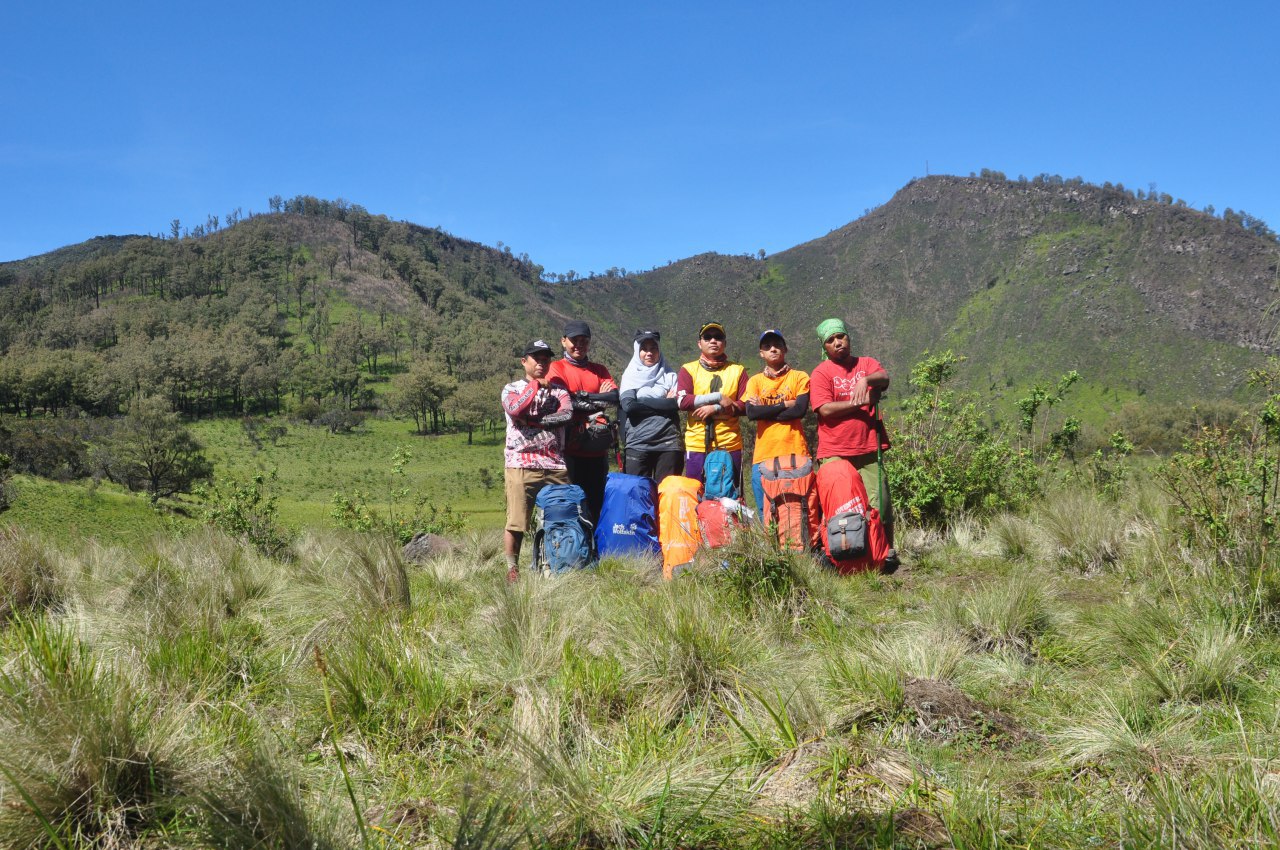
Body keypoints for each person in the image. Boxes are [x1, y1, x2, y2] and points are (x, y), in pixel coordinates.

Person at [809, 317, 898, 567]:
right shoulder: (821, 373)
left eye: (841, 336)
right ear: (824, 346)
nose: (837, 342)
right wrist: (860, 402)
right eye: (831, 340)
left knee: (881, 502)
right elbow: (824, 409)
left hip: (869, 446)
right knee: (841, 507)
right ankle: (839, 558)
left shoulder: (866, 364)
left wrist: (866, 380)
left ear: (848, 338)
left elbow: (884, 377)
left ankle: (886, 553)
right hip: (835, 451)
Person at [501, 339, 573, 582]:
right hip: (520, 463)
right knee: (517, 520)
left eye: (546, 359)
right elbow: (515, 410)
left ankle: (556, 566)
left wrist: (532, 422)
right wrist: (533, 387)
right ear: (525, 361)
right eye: (536, 358)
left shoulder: (560, 390)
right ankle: (513, 569)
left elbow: (566, 415)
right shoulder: (511, 388)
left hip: (555, 465)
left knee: (562, 519)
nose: (542, 363)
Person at [547, 320, 618, 525]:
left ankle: (596, 549)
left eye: (584, 340)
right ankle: (576, 547)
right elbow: (566, 402)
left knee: (597, 500)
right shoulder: (556, 368)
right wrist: (597, 400)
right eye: (574, 340)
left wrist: (582, 398)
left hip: (597, 449)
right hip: (568, 450)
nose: (579, 344)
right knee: (572, 501)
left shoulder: (599, 369)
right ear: (563, 341)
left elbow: (614, 397)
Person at [743, 329, 811, 516]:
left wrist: (765, 411)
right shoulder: (755, 381)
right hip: (764, 455)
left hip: (795, 452)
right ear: (761, 353)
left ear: (785, 349)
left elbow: (799, 411)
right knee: (765, 508)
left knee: (799, 505)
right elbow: (751, 413)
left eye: (777, 345)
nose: (773, 349)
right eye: (767, 346)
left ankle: (803, 545)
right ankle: (771, 545)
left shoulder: (799, 377)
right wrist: (784, 404)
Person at [676, 321, 747, 491]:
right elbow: (682, 401)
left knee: (732, 495)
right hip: (697, 444)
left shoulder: (738, 370)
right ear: (699, 343)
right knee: (696, 494)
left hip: (730, 444)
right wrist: (718, 398)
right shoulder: (688, 369)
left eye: (718, 337)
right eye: (707, 337)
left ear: (725, 343)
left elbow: (745, 405)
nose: (713, 341)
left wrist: (715, 408)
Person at [618, 329, 684, 481]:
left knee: (667, 495)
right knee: (638, 494)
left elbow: (675, 405)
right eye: (644, 349)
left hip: (669, 444)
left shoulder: (670, 375)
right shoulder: (630, 376)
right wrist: (664, 403)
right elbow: (629, 406)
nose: (649, 353)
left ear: (659, 350)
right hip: (638, 444)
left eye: (653, 348)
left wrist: (641, 400)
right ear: (637, 351)